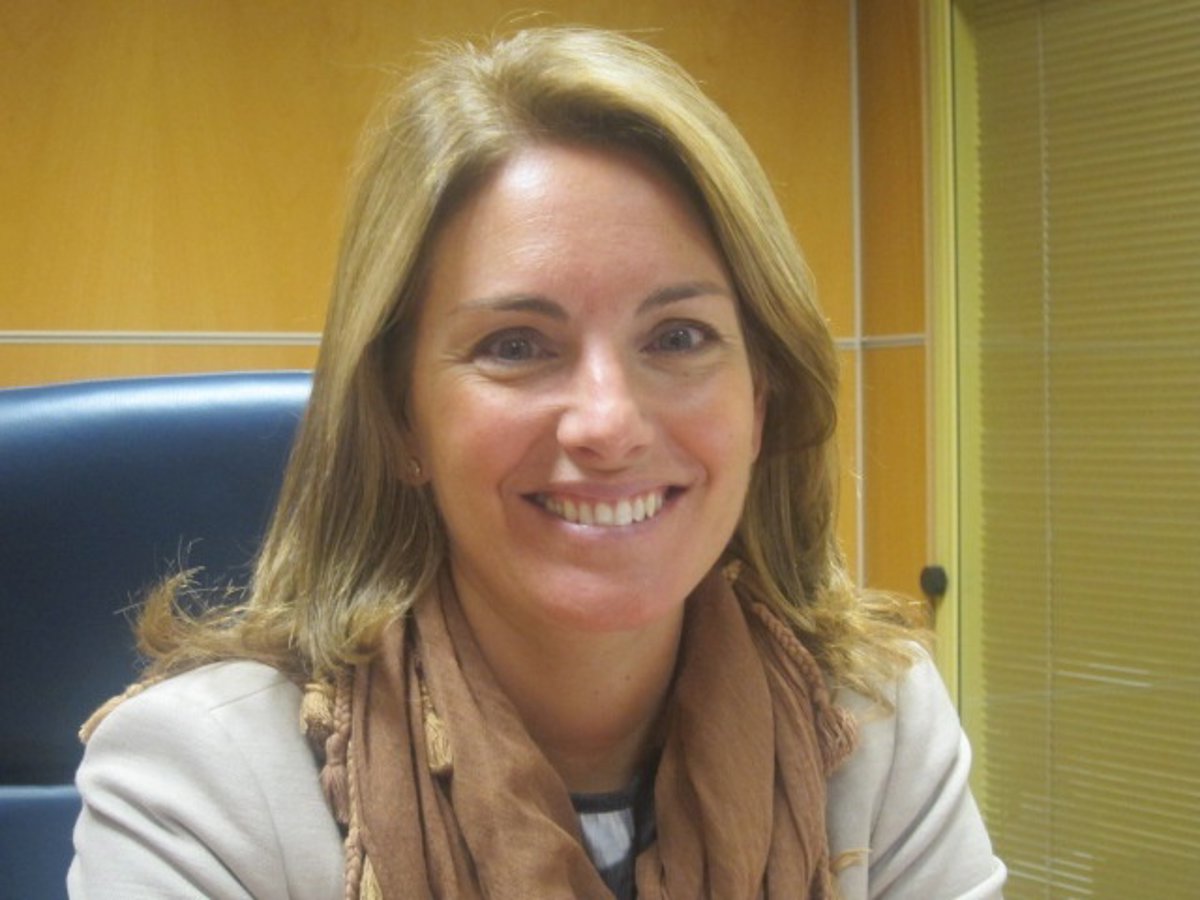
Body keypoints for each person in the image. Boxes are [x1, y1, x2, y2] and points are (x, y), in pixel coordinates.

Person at [68, 26, 1005, 899]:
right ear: (400, 420)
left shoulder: (875, 724)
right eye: (515, 346)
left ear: (760, 400)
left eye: (679, 336)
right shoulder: (204, 780)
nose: (609, 424)